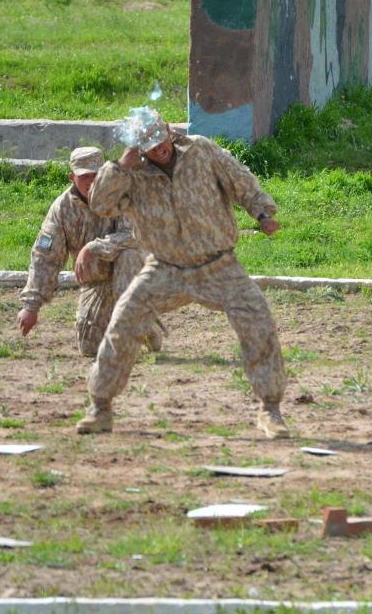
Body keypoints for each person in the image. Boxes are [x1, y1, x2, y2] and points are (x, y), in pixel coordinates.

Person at [79, 113, 289, 438]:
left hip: (217, 265)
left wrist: (262, 213)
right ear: (139, 147)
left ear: (168, 131)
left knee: (257, 318)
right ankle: (101, 407)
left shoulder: (201, 151)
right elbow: (100, 204)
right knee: (123, 323)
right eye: (149, 145)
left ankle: (270, 409)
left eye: (160, 140)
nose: (158, 149)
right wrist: (120, 166)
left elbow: (240, 181)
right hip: (165, 267)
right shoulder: (131, 174)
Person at [17, 147, 161, 358]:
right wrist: (31, 306)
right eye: (84, 176)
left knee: (128, 257)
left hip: (134, 270)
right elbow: (45, 258)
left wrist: (92, 247)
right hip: (96, 280)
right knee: (89, 347)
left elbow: (134, 235)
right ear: (72, 177)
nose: (91, 181)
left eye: (96, 174)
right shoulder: (62, 209)